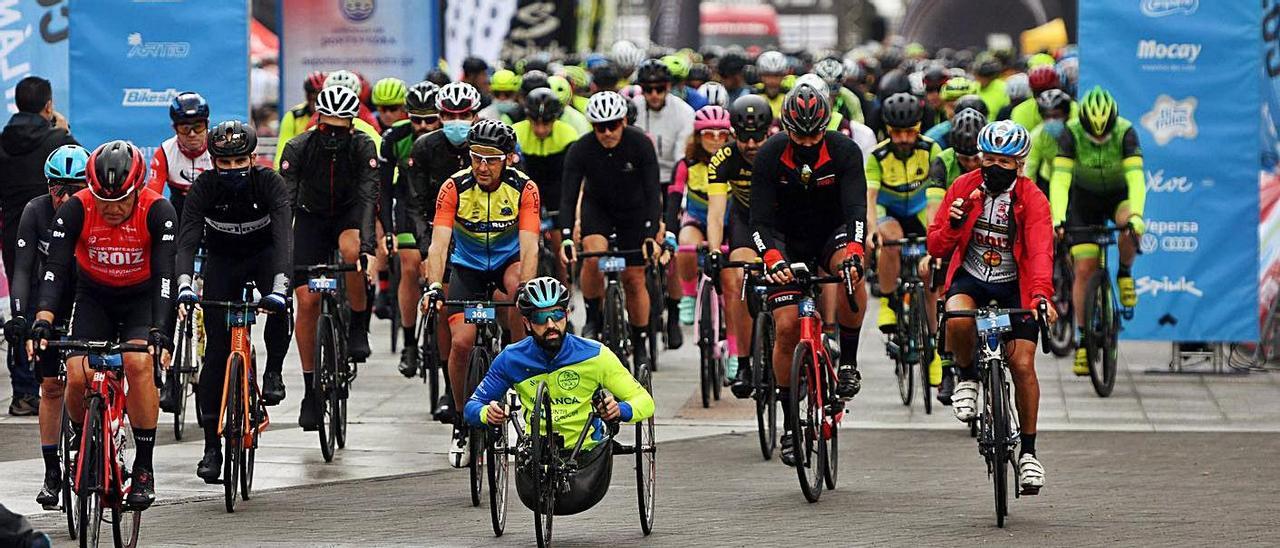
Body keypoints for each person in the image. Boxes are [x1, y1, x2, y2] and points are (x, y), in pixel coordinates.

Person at [30, 140, 179, 511]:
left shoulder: (158, 211)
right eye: (103, 201)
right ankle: (83, 439)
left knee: (139, 364)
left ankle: (143, 467)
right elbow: (56, 270)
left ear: (137, 190)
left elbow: (165, 278)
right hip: (94, 295)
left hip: (141, 298)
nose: (111, 210)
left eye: (120, 201)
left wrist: (161, 332)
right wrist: (44, 320)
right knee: (77, 373)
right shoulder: (76, 209)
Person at [927, 120, 1055, 495]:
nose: (995, 166)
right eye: (989, 159)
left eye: (1005, 161)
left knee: (1022, 364)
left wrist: (1041, 296)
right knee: (958, 316)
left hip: (1016, 285)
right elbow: (936, 246)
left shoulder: (1032, 199)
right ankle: (966, 377)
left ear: (1019, 164)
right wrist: (952, 224)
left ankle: (1029, 454)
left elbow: (1041, 250)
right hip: (972, 276)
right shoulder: (963, 188)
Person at [749, 84, 868, 466]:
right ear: (786, 128)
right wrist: (772, 259)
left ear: (826, 126)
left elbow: (856, 213)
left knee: (852, 274)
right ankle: (789, 426)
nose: (807, 142)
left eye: (815, 134)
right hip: (785, 240)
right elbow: (760, 221)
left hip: (831, 236)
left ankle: (847, 361)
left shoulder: (845, 151)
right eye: (799, 135)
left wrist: (854, 251)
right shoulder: (770, 154)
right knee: (786, 328)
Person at [464, 277, 654, 508]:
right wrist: (487, 413)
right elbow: (472, 406)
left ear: (567, 315)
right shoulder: (510, 359)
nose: (551, 325)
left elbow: (645, 401)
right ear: (526, 322)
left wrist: (620, 410)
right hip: (536, 455)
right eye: (541, 318)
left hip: (588, 457)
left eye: (557, 316)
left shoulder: (596, 356)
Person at [174, 121, 292, 483]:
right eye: (223, 163)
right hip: (223, 261)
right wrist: (184, 284)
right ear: (213, 163)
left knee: (281, 303)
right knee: (215, 355)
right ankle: (212, 447)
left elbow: (285, 238)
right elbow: (187, 239)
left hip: (263, 254)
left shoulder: (270, 183)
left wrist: (280, 288)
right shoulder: (203, 188)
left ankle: (272, 370)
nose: (232, 169)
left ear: (253, 157)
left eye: (239, 161)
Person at [422, 119, 541, 467]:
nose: (482, 167)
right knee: (461, 342)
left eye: (491, 160)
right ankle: (462, 419)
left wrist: (526, 292)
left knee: (519, 292)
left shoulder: (524, 188)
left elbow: (530, 246)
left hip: (509, 262)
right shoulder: (454, 187)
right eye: (476, 158)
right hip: (468, 268)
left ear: (508, 159)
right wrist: (433, 285)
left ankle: (518, 375)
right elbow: (438, 245)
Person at [278, 85, 378, 430]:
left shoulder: (363, 146)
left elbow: (368, 199)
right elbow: (285, 206)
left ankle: (359, 328)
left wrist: (368, 248)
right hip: (310, 216)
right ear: (316, 120)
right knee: (307, 300)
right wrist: (282, 256)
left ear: (352, 125)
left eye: (341, 129)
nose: (333, 136)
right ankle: (309, 389)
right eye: (326, 128)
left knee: (352, 253)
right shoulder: (298, 147)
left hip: (348, 214)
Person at [6, 144, 87, 506]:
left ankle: (96, 435)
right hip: (46, 298)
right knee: (51, 387)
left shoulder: (92, 212)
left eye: (76, 187)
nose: (65, 196)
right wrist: (21, 317)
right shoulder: (35, 211)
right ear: (47, 187)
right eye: (57, 188)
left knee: (87, 375)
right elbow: (22, 269)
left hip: (86, 295)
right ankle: (52, 472)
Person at [560, 91, 662, 366]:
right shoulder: (580, 149)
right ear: (592, 127)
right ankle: (593, 315)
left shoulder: (640, 143)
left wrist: (652, 234)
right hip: (599, 209)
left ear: (624, 121)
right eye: (600, 127)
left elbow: (654, 192)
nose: (607, 133)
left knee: (634, 278)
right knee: (593, 258)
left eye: (613, 125)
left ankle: (640, 340)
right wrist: (567, 237)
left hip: (634, 211)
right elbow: (568, 198)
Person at [1050, 86, 1146, 376]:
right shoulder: (1071, 132)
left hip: (1117, 195)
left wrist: (1138, 217)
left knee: (1130, 223)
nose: (1099, 138)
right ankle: (1082, 341)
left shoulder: (1126, 132)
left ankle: (1124, 273)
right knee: (1084, 269)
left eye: (1104, 134)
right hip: (1084, 199)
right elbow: (1060, 180)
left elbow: (1136, 179)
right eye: (1094, 134)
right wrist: (1058, 218)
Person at [0, 75, 76, 416]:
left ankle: (24, 392)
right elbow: (80, 175)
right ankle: (60, 379)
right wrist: (63, 127)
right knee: (60, 300)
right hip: (55, 231)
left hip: (15, 234)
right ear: (48, 106)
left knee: (22, 308)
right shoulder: (59, 140)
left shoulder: (2, 142)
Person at [405, 82, 482, 418]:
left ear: (475, 115)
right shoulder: (424, 148)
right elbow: (416, 205)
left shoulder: (492, 144)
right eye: (449, 115)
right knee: (444, 302)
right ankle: (449, 387)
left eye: (463, 115)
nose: (456, 120)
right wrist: (426, 251)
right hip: (440, 232)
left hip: (485, 233)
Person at [865, 92, 943, 375]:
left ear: (919, 128)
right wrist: (872, 231)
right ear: (887, 130)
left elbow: (937, 200)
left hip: (923, 207)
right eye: (897, 133)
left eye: (910, 132)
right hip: (891, 209)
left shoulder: (932, 149)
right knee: (890, 238)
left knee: (929, 274)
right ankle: (888, 301)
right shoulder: (878, 156)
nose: (904, 139)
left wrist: (936, 241)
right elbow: (870, 199)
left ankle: (934, 346)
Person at [706, 95, 772, 397]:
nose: (751, 145)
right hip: (746, 222)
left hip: (779, 222)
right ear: (733, 133)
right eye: (744, 138)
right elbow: (717, 211)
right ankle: (744, 360)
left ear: (768, 132)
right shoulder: (722, 158)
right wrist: (714, 250)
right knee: (736, 279)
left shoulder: (780, 150)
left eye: (757, 137)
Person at [632, 59, 695, 348]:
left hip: (672, 179)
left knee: (668, 242)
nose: (653, 95)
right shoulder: (633, 108)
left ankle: (672, 312)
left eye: (659, 89)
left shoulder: (683, 113)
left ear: (668, 88)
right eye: (648, 89)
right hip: (640, 178)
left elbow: (683, 158)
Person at [387, 81, 440, 377]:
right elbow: (382, 188)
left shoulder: (450, 142)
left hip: (442, 211)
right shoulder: (396, 138)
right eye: (416, 119)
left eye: (429, 119)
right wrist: (384, 230)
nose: (422, 125)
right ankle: (409, 343)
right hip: (408, 208)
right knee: (409, 267)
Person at [512, 88, 580, 286]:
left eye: (546, 123)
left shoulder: (568, 134)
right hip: (525, 187)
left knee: (560, 248)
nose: (541, 129)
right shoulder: (516, 133)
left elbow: (571, 178)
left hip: (557, 189)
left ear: (556, 119)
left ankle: (565, 294)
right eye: (535, 123)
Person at [146, 91, 213, 219]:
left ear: (207, 125)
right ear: (174, 128)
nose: (192, 134)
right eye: (185, 128)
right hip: (180, 213)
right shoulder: (165, 152)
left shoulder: (217, 145)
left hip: (214, 211)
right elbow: (152, 198)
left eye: (198, 127)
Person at [1024, 89, 1073, 196]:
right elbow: (1029, 167)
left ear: (1067, 115)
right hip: (1048, 178)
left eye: (1056, 116)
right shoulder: (1037, 135)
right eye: (1047, 116)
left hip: (1075, 180)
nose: (1051, 121)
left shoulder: (1076, 132)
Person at [274, 70, 327, 169]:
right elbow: (282, 151)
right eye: (314, 99)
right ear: (307, 97)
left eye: (322, 99)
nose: (317, 105)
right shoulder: (293, 116)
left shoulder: (336, 118)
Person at [754, 51, 790, 117]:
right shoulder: (753, 95)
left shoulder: (789, 97)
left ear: (784, 75)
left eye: (777, 75)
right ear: (760, 75)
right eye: (767, 75)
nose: (772, 80)